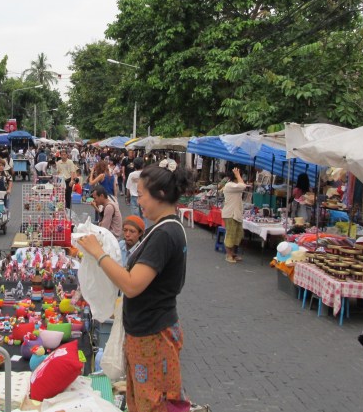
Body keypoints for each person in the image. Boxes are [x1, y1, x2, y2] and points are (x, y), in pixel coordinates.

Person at [76, 163, 193, 412]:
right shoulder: (165, 228)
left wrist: (98, 253)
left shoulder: (164, 233)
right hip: (149, 328)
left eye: (141, 195)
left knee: (153, 403)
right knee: (143, 400)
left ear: (160, 194)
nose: (138, 201)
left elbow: (131, 285)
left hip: (153, 333)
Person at [221, 167, 247, 264]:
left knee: (238, 234)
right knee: (231, 235)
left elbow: (242, 185)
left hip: (236, 214)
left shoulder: (234, 186)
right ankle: (228, 254)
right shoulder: (229, 185)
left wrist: (238, 176)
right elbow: (243, 186)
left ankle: (232, 253)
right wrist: (237, 174)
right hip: (230, 214)